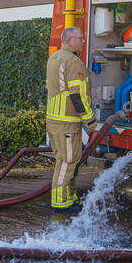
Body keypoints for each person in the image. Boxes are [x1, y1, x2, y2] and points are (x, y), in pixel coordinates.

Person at [45, 26, 96, 209]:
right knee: (67, 161)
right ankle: (60, 202)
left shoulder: (55, 57)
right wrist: (89, 119)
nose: (83, 41)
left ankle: (69, 197)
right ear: (69, 40)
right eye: (80, 38)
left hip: (55, 120)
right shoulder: (73, 61)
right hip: (67, 122)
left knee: (67, 159)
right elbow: (77, 95)